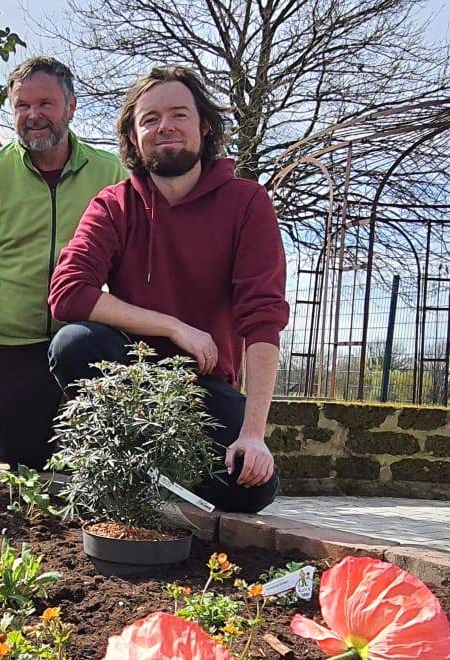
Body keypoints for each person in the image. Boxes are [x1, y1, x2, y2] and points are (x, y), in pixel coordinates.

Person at [46, 65, 287, 514]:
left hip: (201, 385)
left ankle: (160, 474)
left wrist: (253, 434)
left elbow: (263, 318)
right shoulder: (114, 204)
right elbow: (68, 292)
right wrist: (173, 326)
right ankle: (128, 463)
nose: (165, 127)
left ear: (205, 126)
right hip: (130, 379)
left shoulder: (247, 203)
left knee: (252, 489)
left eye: (179, 114)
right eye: (150, 119)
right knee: (74, 343)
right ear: (134, 137)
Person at [0, 56, 128, 469]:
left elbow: (131, 263)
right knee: (26, 464)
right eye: (22, 106)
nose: (33, 116)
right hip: (11, 346)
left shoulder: (110, 173)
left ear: (71, 107)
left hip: (83, 343)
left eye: (45, 103)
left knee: (90, 464)